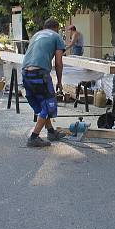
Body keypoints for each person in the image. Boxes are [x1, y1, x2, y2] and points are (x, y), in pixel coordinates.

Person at [21, 17, 67, 147]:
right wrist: (59, 81)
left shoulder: (36, 35)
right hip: (40, 73)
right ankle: (34, 137)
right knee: (48, 104)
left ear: (44, 27)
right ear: (56, 28)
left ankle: (51, 132)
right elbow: (58, 62)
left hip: (25, 73)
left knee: (41, 104)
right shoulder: (57, 37)